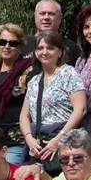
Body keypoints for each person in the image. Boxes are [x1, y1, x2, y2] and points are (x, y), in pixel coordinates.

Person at [19, 31, 86, 166]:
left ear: (60, 52)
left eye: (50, 48)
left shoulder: (69, 74)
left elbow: (81, 108)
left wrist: (59, 138)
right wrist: (29, 138)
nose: (45, 52)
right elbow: (24, 115)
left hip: (64, 143)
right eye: (40, 48)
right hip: (38, 145)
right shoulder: (35, 81)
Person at [0, 23, 33, 166]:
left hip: (15, 141)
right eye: (2, 42)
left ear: (20, 47)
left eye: (13, 43)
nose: (7, 46)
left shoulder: (29, 71)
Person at [22, 0, 81, 65]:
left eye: (51, 14)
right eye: (42, 13)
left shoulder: (72, 48)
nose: (46, 17)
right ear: (35, 17)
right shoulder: (22, 45)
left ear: (60, 18)